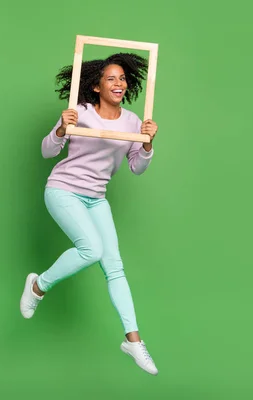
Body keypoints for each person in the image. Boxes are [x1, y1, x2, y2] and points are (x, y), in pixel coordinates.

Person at [20, 52, 159, 375]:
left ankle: (134, 341)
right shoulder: (79, 112)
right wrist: (60, 130)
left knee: (114, 266)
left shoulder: (133, 121)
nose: (119, 83)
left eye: (123, 78)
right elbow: (46, 151)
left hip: (96, 198)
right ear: (96, 86)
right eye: (111, 78)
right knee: (91, 249)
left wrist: (149, 144)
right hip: (63, 189)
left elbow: (137, 167)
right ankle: (38, 286)